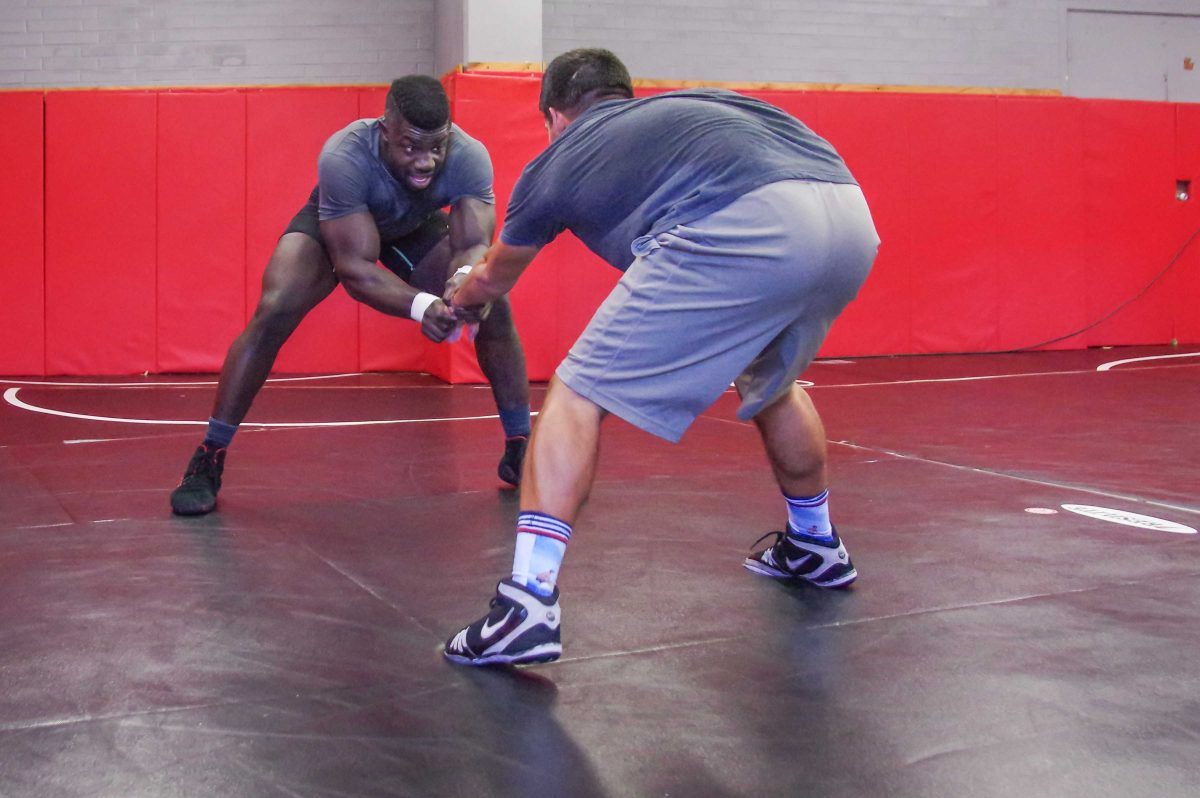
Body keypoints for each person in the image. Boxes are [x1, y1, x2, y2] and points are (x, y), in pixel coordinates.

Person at [441, 49, 880, 666]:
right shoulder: (695, 106)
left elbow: (492, 280)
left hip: (748, 217)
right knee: (771, 382)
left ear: (553, 116)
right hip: (848, 216)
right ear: (626, 94)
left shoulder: (562, 155)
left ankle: (526, 606)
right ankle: (814, 544)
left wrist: (459, 294)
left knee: (577, 392)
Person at [170, 75, 530, 516]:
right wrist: (423, 306)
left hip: (412, 228)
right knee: (274, 309)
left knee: (493, 306)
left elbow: (473, 244)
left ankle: (519, 447)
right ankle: (210, 455)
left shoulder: (469, 156)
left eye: (436, 147)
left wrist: (463, 282)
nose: (425, 161)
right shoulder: (345, 157)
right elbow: (355, 269)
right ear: (385, 132)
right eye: (411, 147)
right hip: (338, 229)